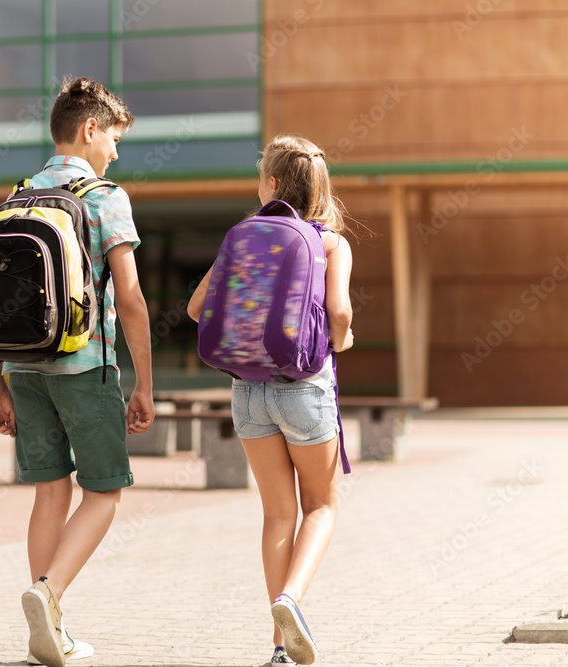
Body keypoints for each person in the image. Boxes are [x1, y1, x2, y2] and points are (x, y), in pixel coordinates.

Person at [0, 76, 155, 667]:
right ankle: (48, 594)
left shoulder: (15, 198)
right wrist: (144, 384)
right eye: (112, 137)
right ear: (88, 129)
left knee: (49, 491)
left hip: (23, 369)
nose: (115, 150)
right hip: (86, 365)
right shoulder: (106, 197)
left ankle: (47, 627)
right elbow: (129, 299)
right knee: (104, 492)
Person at [187, 135, 354, 666]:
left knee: (278, 514)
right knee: (322, 506)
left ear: (275, 183)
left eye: (261, 174)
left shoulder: (245, 236)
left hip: (247, 392)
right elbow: (341, 314)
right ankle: (292, 600)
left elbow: (196, 308)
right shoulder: (329, 242)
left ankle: (279, 648)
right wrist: (340, 339)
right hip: (303, 389)